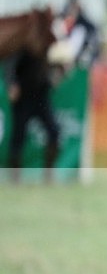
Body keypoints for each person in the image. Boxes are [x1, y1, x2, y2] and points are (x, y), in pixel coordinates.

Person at [5, 35, 61, 182]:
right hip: (23, 98)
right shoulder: (22, 45)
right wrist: (11, 84)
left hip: (41, 96)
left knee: (54, 131)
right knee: (18, 136)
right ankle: (15, 177)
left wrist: (54, 77)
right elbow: (10, 65)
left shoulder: (48, 46)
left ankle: (49, 173)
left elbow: (56, 66)